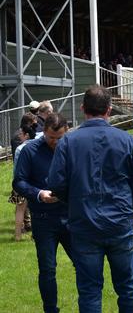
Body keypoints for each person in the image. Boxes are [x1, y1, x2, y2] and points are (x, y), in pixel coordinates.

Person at [48, 85, 133, 313]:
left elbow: (55, 183)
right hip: (119, 223)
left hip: (85, 224)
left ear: (83, 108)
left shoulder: (68, 142)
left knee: (90, 290)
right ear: (109, 109)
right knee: (127, 287)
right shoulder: (126, 141)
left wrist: (71, 203)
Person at [14, 113, 75, 312]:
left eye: (60, 138)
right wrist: (39, 194)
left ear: (67, 132)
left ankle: (89, 305)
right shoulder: (29, 150)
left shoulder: (72, 148)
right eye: (51, 137)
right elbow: (19, 182)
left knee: (84, 263)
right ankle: (50, 309)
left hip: (70, 217)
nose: (55, 142)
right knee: (48, 269)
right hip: (43, 219)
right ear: (44, 131)